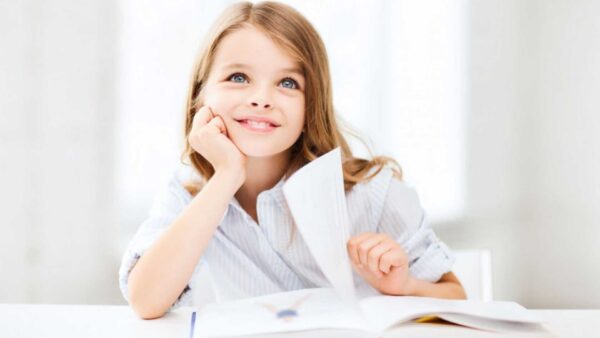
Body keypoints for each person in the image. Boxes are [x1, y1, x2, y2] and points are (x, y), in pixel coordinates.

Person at [119, 1, 466, 320]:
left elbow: (458, 298)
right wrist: (226, 176)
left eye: (287, 83)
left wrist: (404, 287)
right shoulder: (188, 193)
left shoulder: (371, 194)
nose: (261, 99)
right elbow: (146, 301)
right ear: (200, 95)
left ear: (310, 105)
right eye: (238, 78)